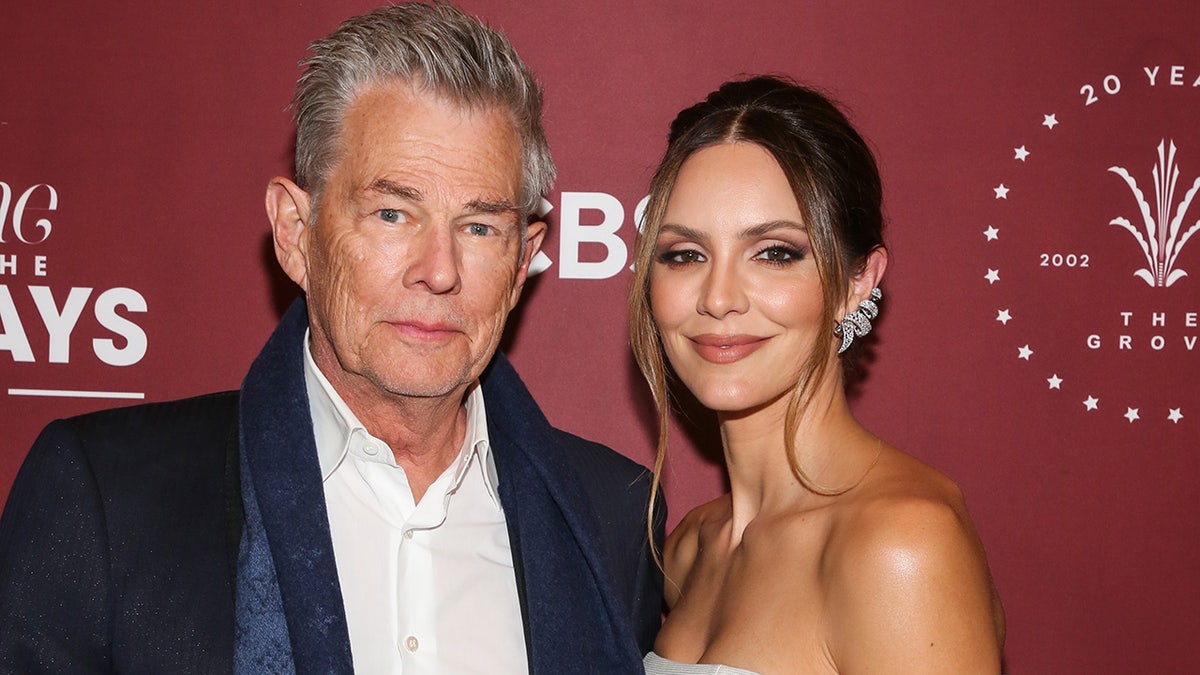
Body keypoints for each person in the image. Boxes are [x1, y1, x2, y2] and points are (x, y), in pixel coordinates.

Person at [0, 4, 661, 673]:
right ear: (296, 232)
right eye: (392, 213)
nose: (438, 270)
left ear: (523, 260)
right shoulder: (109, 500)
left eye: (480, 227)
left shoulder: (611, 520)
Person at [629, 76, 1005, 674]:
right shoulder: (693, 548)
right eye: (685, 255)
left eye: (775, 252)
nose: (719, 298)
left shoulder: (900, 544)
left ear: (857, 281)